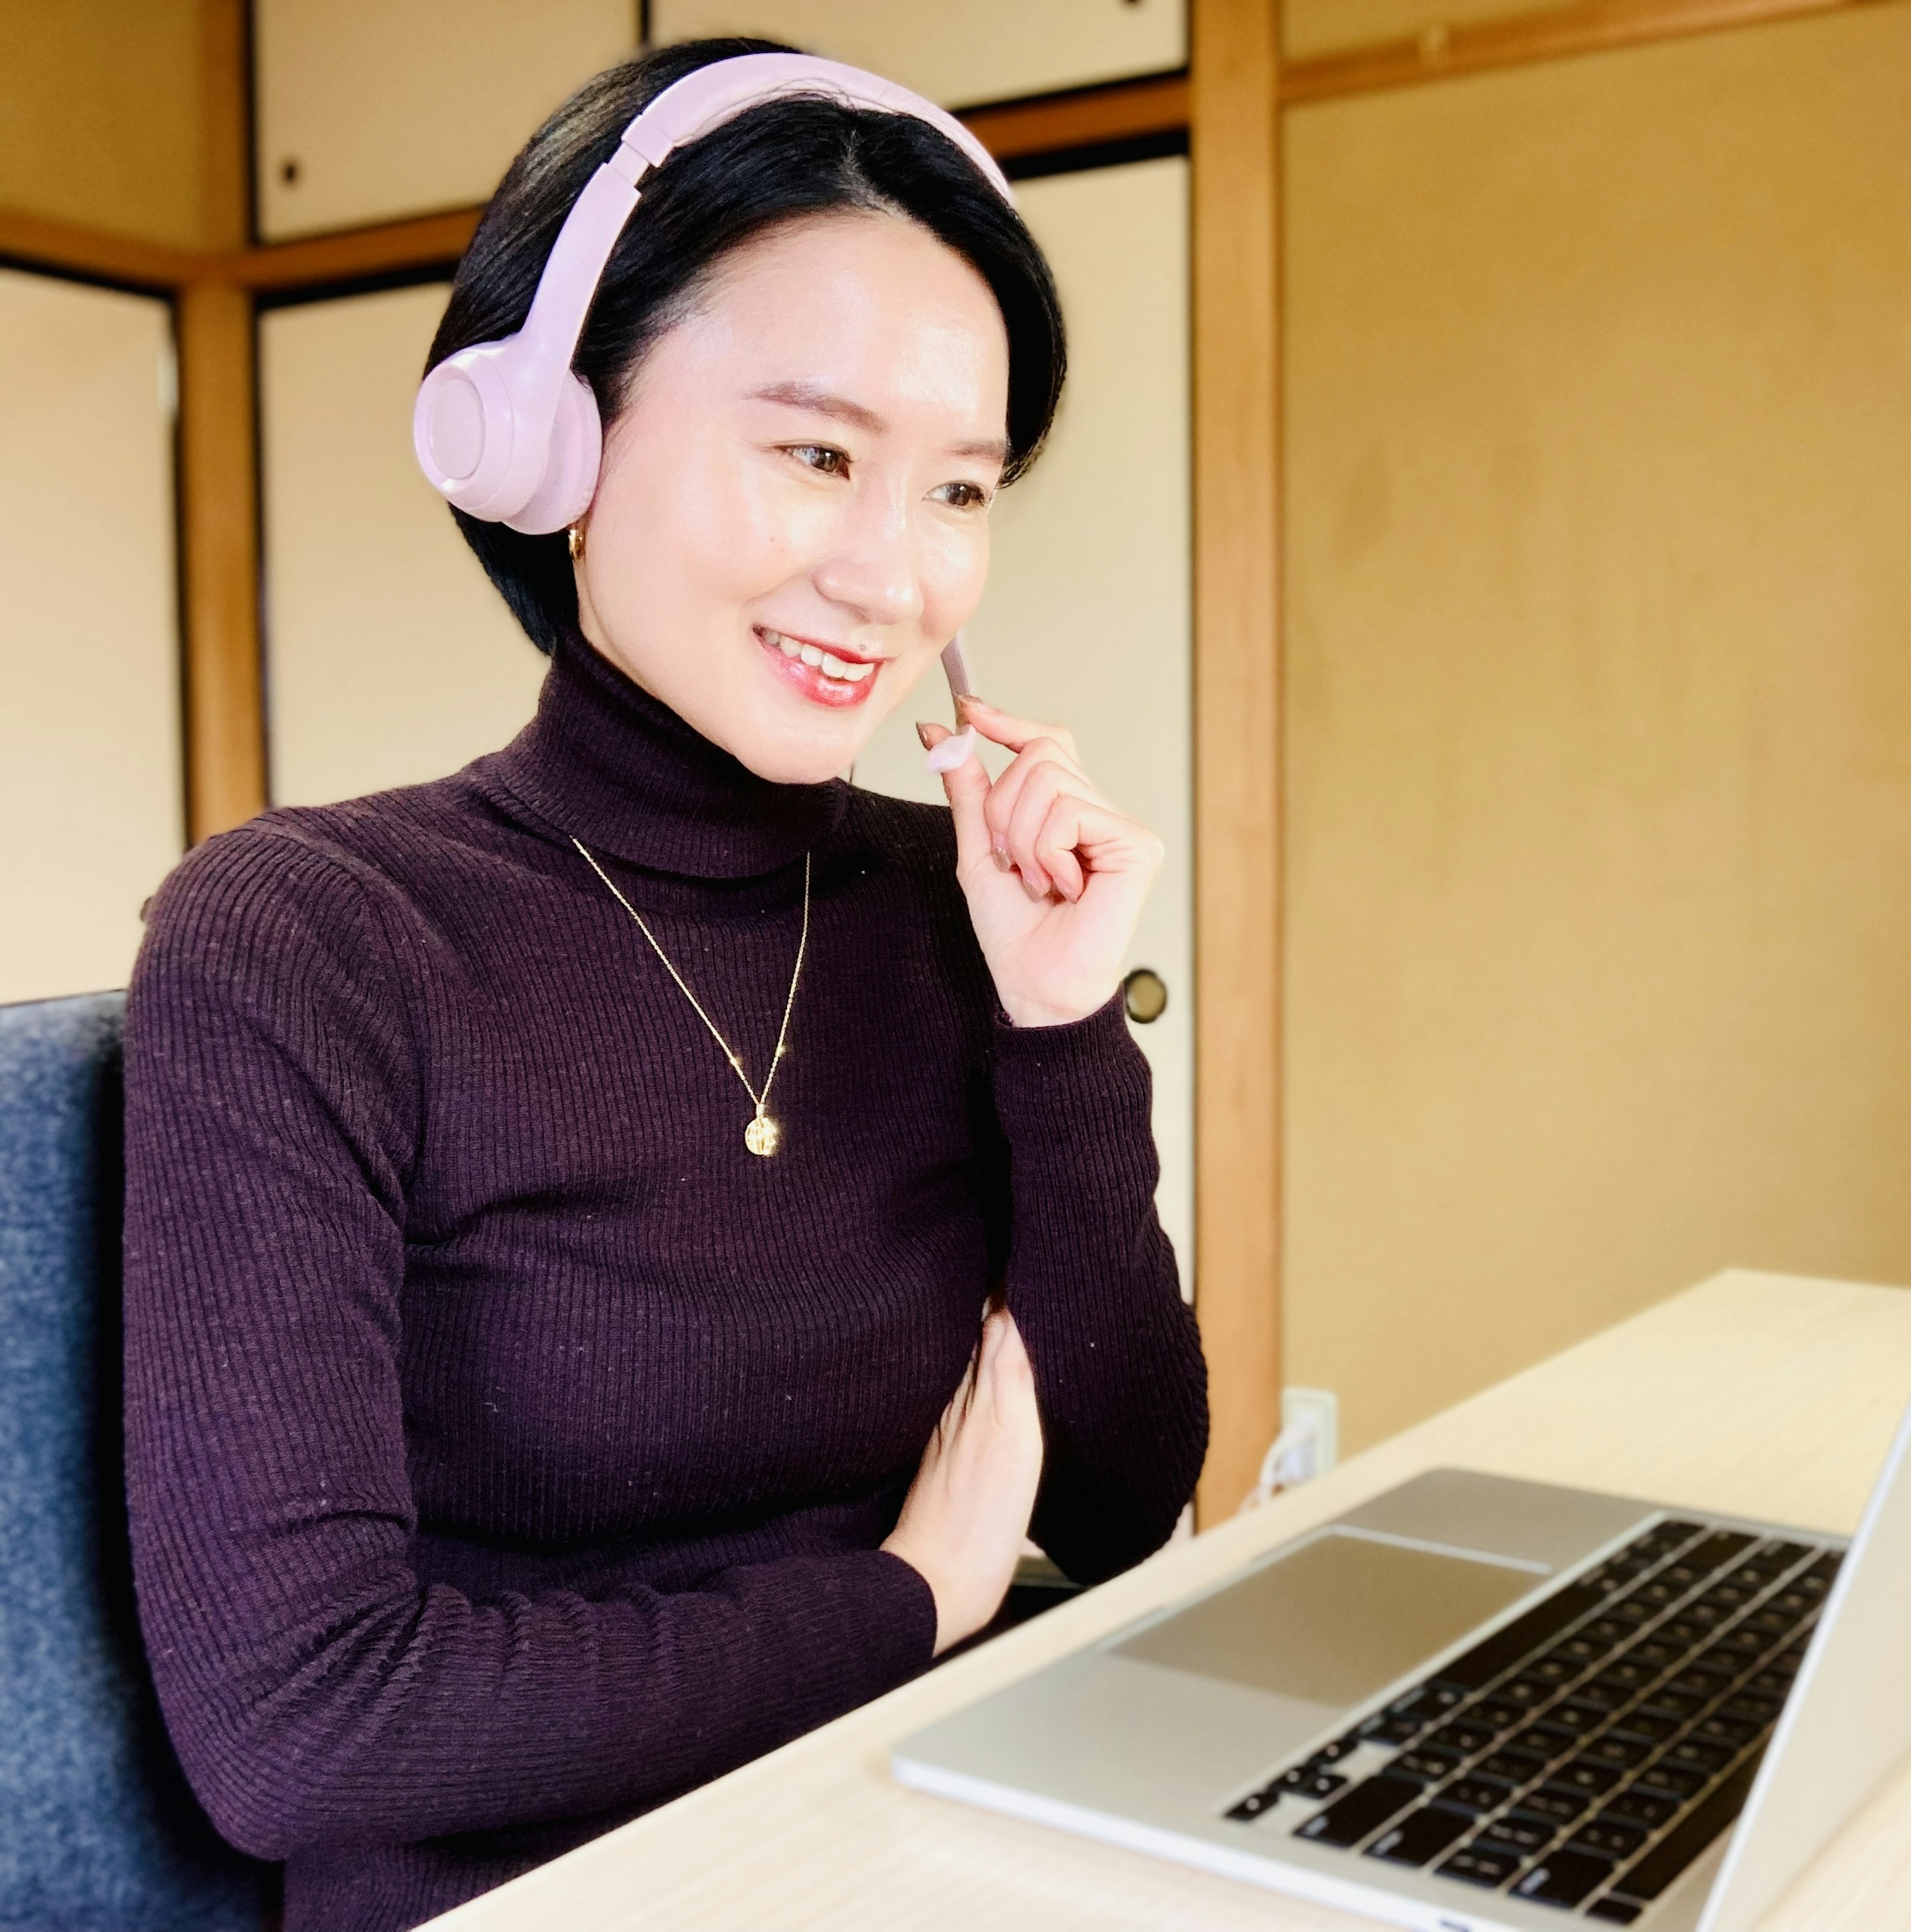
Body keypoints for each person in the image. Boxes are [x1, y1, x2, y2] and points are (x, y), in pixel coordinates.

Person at [120, 40, 1207, 1932]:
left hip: (943, 1849)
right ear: (552, 437)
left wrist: (1059, 1032)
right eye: (816, 453)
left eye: (959, 489)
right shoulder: (308, 935)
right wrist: (906, 1604)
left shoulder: (941, 906)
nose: (898, 577)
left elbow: (1117, 1507)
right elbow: (301, 1729)